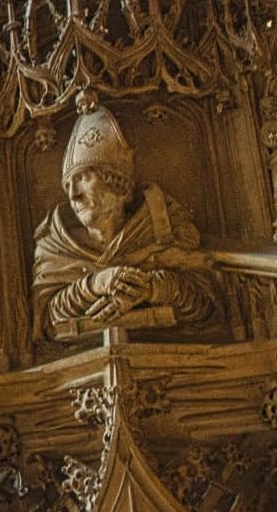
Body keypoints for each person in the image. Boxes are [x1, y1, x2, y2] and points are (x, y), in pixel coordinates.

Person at [31, 92, 212, 340]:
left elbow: (206, 307)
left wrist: (150, 288)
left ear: (118, 185)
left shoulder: (164, 228)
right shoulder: (56, 246)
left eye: (84, 178)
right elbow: (47, 319)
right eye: (68, 185)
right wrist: (95, 284)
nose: (73, 195)